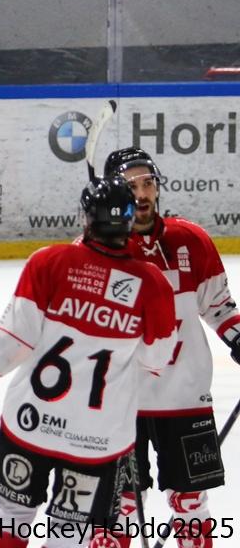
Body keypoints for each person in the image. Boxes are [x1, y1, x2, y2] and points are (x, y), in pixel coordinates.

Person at [0, 177, 178, 548]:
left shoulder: (50, 261)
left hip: (31, 425)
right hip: (97, 439)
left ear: (86, 217)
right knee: (69, 537)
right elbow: (156, 360)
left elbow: (12, 340)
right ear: (130, 220)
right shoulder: (152, 284)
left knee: (11, 525)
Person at [103, 147, 240, 548]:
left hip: (185, 396)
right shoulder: (97, 249)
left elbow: (219, 306)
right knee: (119, 506)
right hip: (120, 401)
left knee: (191, 502)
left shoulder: (190, 239)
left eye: (148, 183)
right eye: (131, 186)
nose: (142, 193)